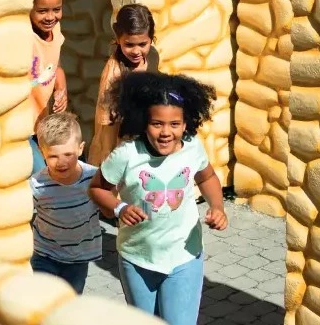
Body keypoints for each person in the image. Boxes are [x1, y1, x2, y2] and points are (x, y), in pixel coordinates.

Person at [88, 71, 228, 325]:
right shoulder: (127, 154)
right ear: (143, 122)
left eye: (175, 124)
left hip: (184, 257)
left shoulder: (192, 146)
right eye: (157, 123)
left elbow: (206, 178)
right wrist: (118, 207)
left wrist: (217, 206)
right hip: (137, 258)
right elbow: (97, 188)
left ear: (186, 123)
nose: (166, 132)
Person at [30, 112, 102, 294]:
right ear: (41, 152)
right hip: (44, 253)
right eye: (53, 156)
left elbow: (113, 201)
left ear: (80, 148)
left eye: (68, 154)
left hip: (78, 257)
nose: (62, 162)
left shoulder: (94, 178)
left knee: (69, 302)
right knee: (41, 299)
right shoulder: (37, 184)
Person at [16, 0, 78, 174]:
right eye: (42, 11)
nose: (51, 17)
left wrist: (61, 87)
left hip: (40, 123)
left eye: (56, 10)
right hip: (22, 124)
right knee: (41, 174)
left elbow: (55, 64)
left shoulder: (55, 30)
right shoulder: (25, 36)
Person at [88, 3, 160, 167]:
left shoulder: (153, 57)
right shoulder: (114, 74)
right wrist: (108, 162)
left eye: (142, 44)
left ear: (151, 40)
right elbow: (107, 125)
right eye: (129, 44)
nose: (136, 51)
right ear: (118, 39)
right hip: (121, 145)